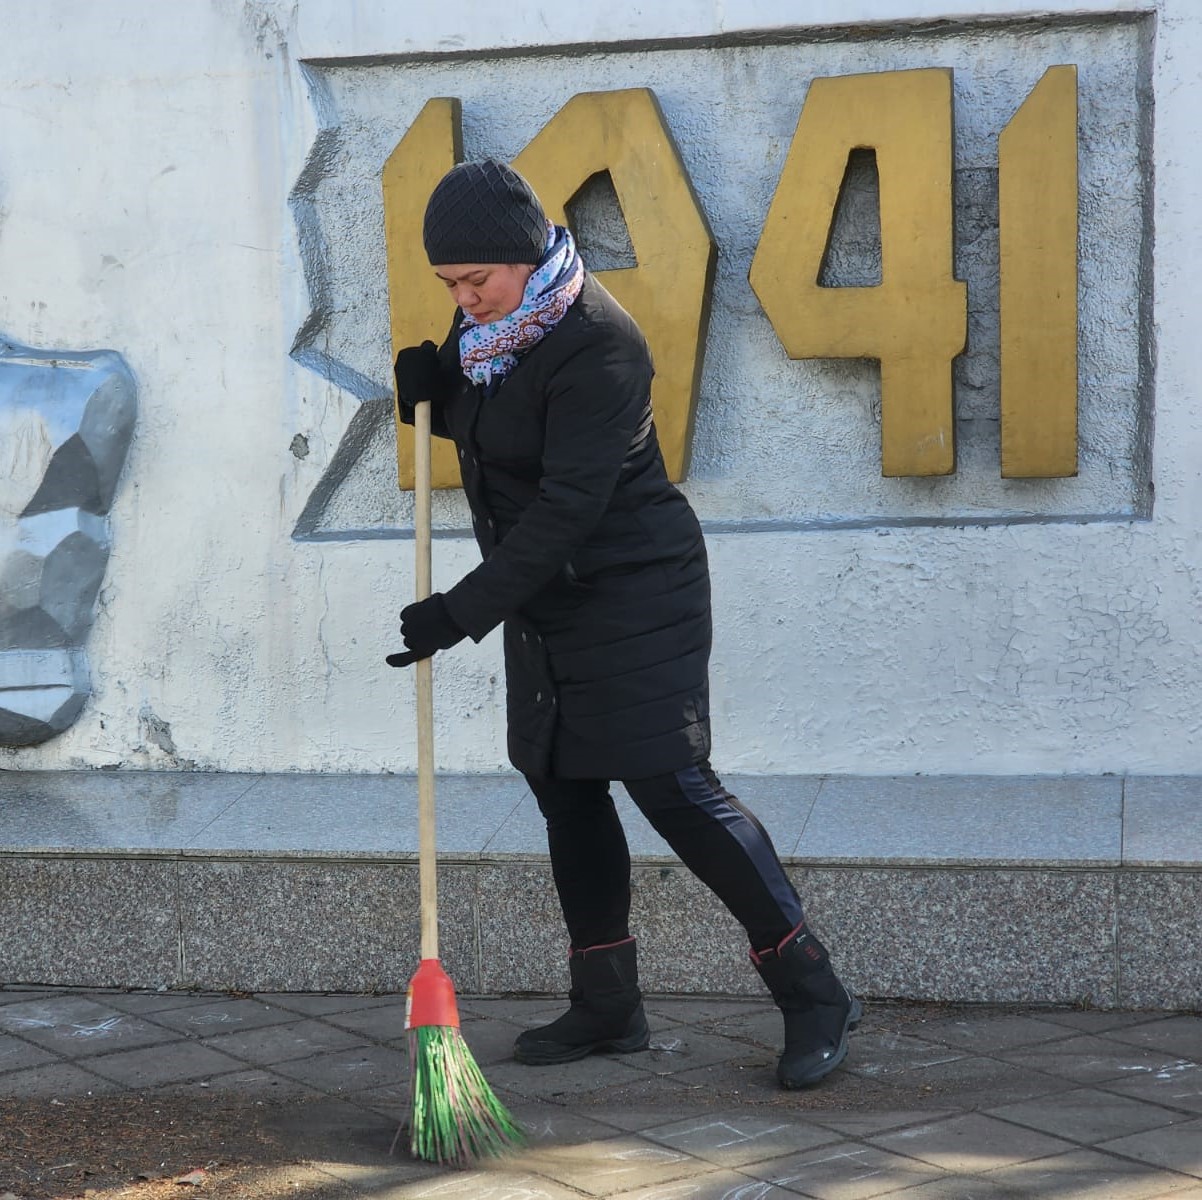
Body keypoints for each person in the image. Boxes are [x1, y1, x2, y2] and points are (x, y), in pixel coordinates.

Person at [388, 159, 859, 1088]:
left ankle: (814, 992)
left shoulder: (601, 343)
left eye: (474, 280)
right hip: (549, 599)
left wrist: (459, 611)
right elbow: (500, 430)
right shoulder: (492, 328)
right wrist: (433, 389)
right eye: (449, 285)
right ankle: (607, 1004)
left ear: (523, 258)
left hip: (637, 592)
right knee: (565, 785)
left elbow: (566, 503)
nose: (463, 298)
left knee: (673, 786)